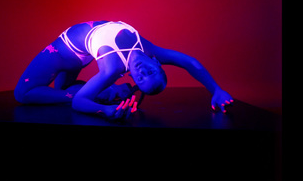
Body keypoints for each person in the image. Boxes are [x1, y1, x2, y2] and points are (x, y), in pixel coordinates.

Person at [14, 20, 233, 119]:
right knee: (66, 88)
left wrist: (106, 111)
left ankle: (103, 95)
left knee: (23, 94)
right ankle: (105, 94)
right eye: (150, 72)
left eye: (139, 76)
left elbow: (80, 102)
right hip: (77, 51)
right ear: (157, 63)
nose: (142, 70)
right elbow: (191, 62)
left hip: (63, 52)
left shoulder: (113, 68)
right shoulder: (151, 50)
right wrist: (216, 89)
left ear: (130, 75)